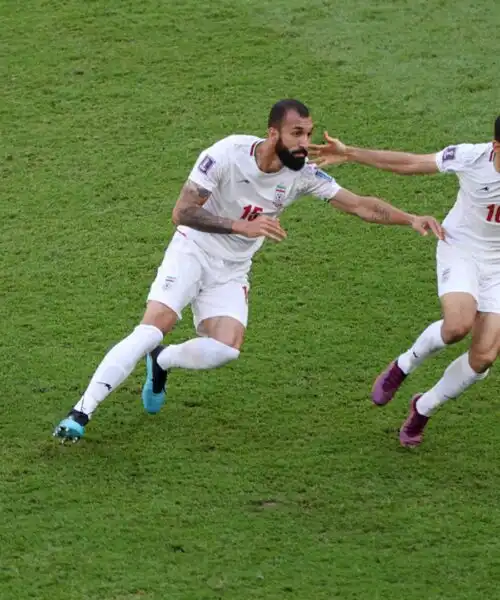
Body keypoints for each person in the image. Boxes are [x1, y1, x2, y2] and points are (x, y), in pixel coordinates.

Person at [53, 99, 443, 442]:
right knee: (153, 325)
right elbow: (182, 213)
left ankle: (162, 361)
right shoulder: (226, 153)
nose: (305, 143)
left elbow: (360, 205)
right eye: (297, 133)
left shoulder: (303, 174)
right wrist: (240, 225)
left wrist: (410, 218)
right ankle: (81, 412)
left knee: (226, 350)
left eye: (308, 133)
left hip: (232, 269)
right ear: (272, 132)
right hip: (192, 251)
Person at [309, 118, 500, 447]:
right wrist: (351, 153)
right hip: (462, 250)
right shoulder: (471, 157)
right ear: (497, 147)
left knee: (483, 357)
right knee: (457, 326)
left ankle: (423, 408)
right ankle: (403, 365)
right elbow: (411, 162)